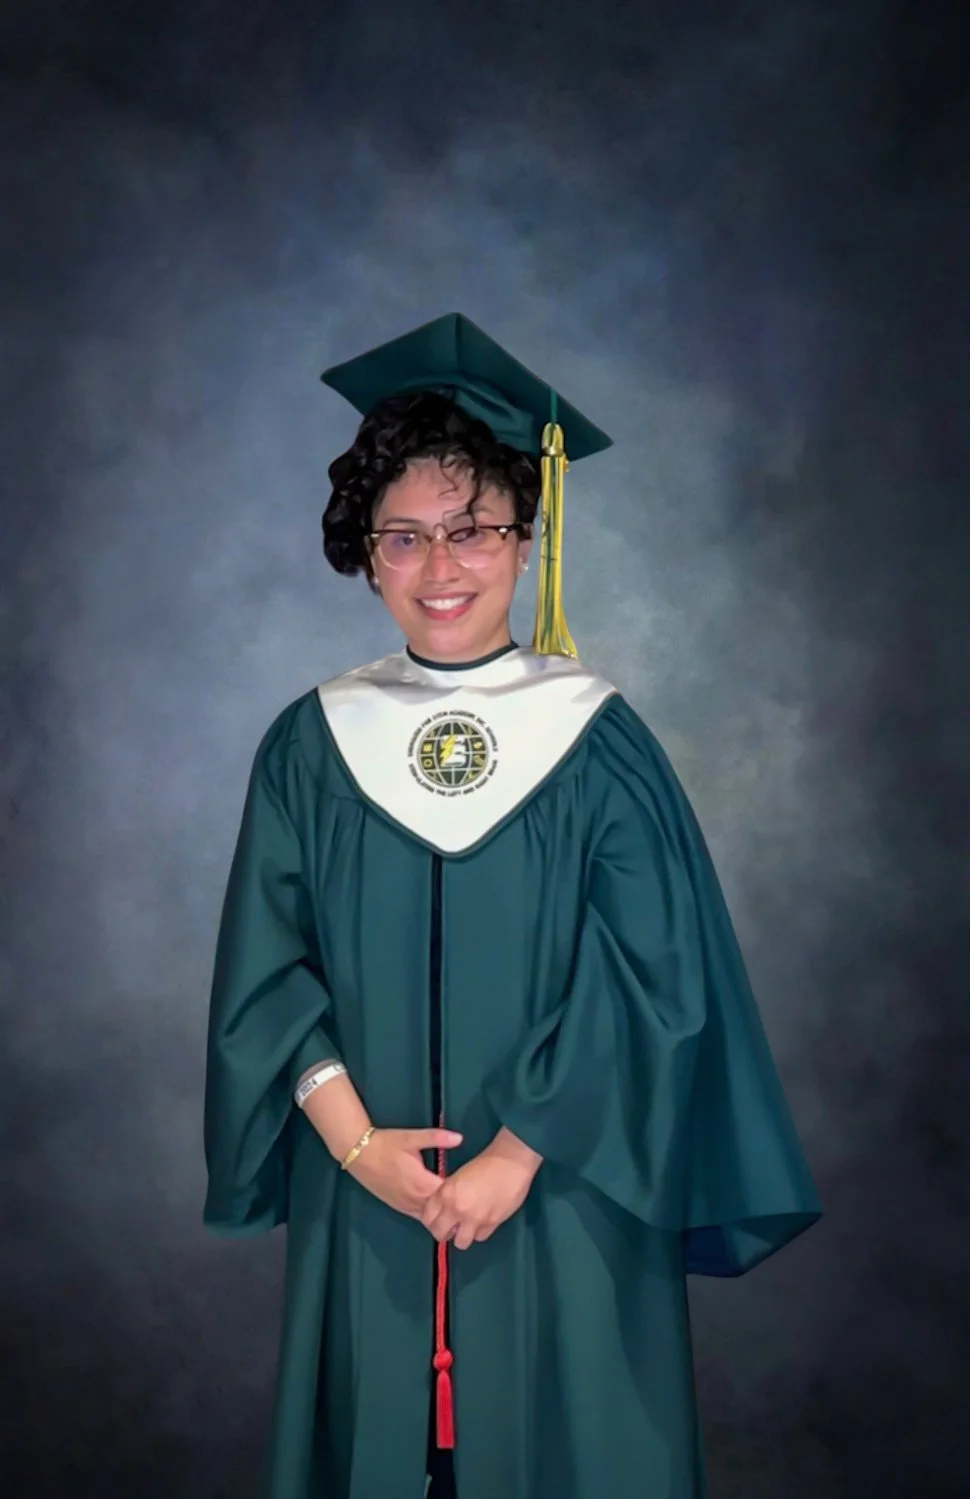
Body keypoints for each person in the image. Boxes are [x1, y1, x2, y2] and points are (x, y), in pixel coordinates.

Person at [202, 313, 821, 1499]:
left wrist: (516, 1152)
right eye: (405, 537)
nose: (443, 567)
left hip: (565, 1196)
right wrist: (356, 1145)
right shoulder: (310, 742)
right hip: (370, 1196)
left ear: (528, 534)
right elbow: (266, 974)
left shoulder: (597, 737)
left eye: (475, 527)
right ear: (366, 554)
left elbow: (653, 971)